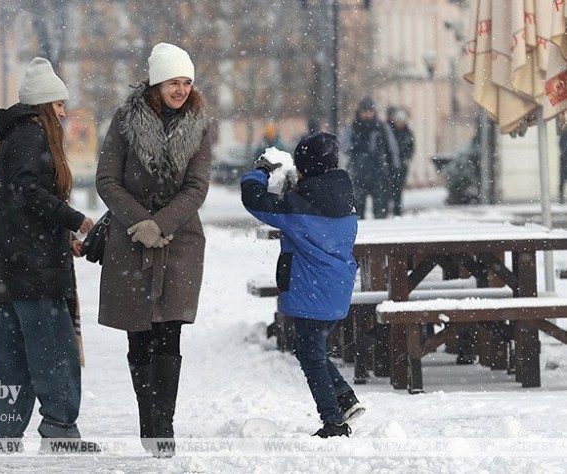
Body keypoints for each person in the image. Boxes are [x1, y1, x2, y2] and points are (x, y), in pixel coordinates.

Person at [95, 42, 212, 457]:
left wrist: (160, 224)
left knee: (170, 335)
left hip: (179, 244)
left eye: (186, 81)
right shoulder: (125, 121)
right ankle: (149, 420)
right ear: (156, 83)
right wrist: (139, 222)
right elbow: (107, 180)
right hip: (131, 244)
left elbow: (197, 186)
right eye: (173, 82)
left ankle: (164, 426)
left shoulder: (199, 124)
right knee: (140, 337)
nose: (181, 89)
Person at [0, 57, 97, 454]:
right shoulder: (32, 136)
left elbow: (22, 200)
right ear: (45, 107)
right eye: (59, 105)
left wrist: (59, 232)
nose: (64, 113)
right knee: (54, 351)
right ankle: (60, 427)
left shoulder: (14, 136)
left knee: (14, 357)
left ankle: (5, 434)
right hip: (35, 267)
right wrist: (75, 220)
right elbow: (31, 194)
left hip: (14, 263)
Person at [241, 132, 365, 437]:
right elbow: (311, 207)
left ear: (304, 167)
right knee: (312, 349)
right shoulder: (343, 196)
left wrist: (263, 170)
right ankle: (344, 399)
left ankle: (334, 422)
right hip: (337, 290)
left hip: (312, 292)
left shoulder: (297, 207)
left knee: (311, 356)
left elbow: (253, 198)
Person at [340, 97, 400, 219]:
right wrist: (355, 148)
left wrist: (394, 168)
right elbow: (344, 147)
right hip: (358, 174)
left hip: (379, 173)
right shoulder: (352, 128)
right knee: (357, 213)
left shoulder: (382, 127)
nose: (367, 114)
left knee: (380, 211)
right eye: (364, 111)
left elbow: (392, 149)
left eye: (369, 111)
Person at [387, 108, 415, 216]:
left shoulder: (407, 133)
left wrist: (406, 158)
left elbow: (411, 147)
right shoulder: (390, 131)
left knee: (398, 187)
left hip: (402, 164)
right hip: (391, 164)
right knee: (390, 186)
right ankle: (390, 207)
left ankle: (397, 209)